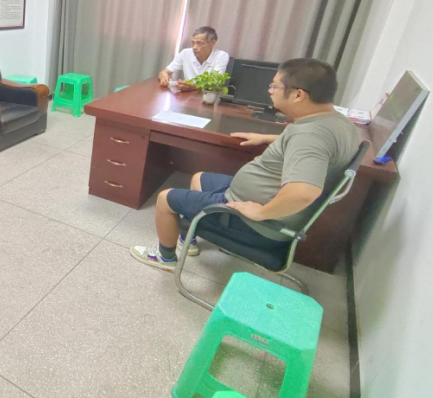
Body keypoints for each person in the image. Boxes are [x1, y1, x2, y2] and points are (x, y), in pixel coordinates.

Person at [133, 58, 359, 268]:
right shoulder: (337, 122)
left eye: (274, 86)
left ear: (298, 95)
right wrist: (267, 138)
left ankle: (165, 258)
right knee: (199, 178)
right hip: (261, 202)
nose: (270, 91)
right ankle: (188, 239)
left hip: (260, 225)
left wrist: (261, 212)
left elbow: (303, 192)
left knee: (165, 199)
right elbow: (315, 148)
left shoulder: (309, 136)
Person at [158, 26, 230, 91]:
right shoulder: (185, 53)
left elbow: (215, 83)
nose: (194, 47)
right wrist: (164, 78)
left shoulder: (221, 56)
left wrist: (194, 87)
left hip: (208, 96)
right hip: (187, 96)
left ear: (212, 43)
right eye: (193, 43)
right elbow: (164, 72)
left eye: (199, 43)